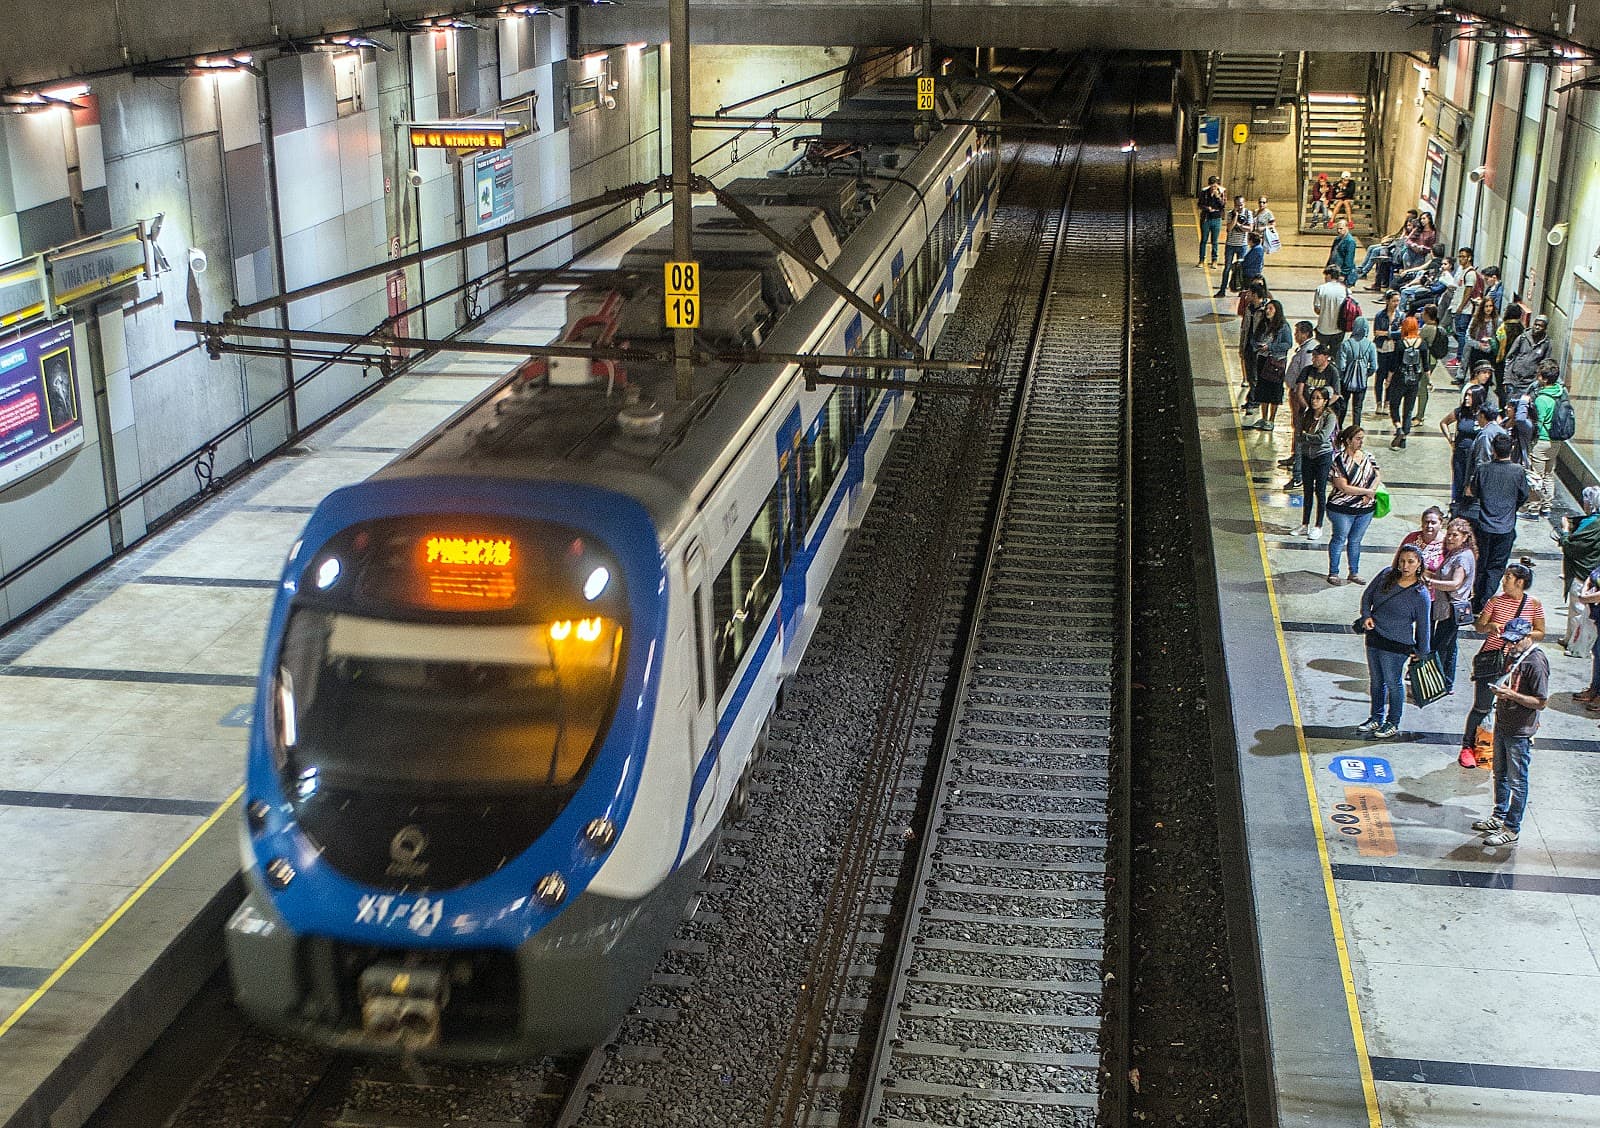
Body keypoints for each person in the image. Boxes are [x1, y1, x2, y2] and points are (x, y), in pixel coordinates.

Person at [1472, 613, 1549, 847]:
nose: (1511, 645)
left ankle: (1512, 827)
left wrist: (1512, 695)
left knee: (1518, 781)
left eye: (1516, 641)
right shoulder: (1512, 656)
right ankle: (1499, 815)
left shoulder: (1535, 663)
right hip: (1503, 723)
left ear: (1528, 637)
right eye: (1509, 640)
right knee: (1500, 774)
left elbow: (1541, 701)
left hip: (1520, 730)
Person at [1460, 560, 1545, 769]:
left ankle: (1502, 745)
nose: (1504, 581)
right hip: (1492, 659)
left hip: (1517, 663)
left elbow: (1541, 632)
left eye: (1508, 577)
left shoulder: (1533, 604)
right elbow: (1479, 627)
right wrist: (1490, 626)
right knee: (1482, 705)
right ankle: (1467, 746)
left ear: (1520, 582)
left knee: (1513, 706)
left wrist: (1523, 634)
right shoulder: (1495, 601)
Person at [1356, 544, 1432, 740]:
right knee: (1376, 681)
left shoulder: (1420, 594)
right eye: (1402, 561)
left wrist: (1422, 652)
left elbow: (1424, 625)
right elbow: (1368, 596)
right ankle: (1376, 717)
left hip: (1397, 645)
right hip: (1374, 636)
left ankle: (1393, 721)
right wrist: (1366, 616)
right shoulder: (1386, 575)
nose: (1405, 566)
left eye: (1410, 562)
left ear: (1419, 564)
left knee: (1393, 683)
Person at [1465, 433, 1530, 610]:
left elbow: (1474, 492)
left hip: (1484, 526)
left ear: (1493, 449)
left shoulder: (1483, 469)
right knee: (1496, 567)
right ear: (1512, 449)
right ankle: (1485, 599)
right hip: (1506, 527)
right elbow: (1524, 496)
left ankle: (1477, 597)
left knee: (1481, 564)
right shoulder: (1518, 471)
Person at [1428, 518, 1478, 694]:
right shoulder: (1457, 553)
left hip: (1450, 610)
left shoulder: (1462, 557)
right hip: (1449, 608)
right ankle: (1447, 684)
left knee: (1440, 647)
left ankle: (1435, 686)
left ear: (1465, 537)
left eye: (1454, 535)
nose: (1449, 538)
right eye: (1448, 534)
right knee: (1450, 648)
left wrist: (1430, 582)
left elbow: (1455, 583)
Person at [1327, 425, 1381, 584]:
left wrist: (1370, 492)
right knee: (1339, 538)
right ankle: (1334, 572)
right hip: (1342, 509)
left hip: (1365, 509)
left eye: (1362, 439)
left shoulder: (1368, 456)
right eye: (1358, 439)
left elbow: (1377, 476)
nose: (1361, 442)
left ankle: (1354, 572)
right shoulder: (1339, 461)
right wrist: (1366, 492)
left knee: (1356, 540)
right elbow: (1343, 486)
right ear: (1348, 441)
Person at [1557, 487, 1600, 656]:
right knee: (1574, 611)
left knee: (1579, 612)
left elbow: (1572, 547)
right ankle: (1569, 638)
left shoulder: (1593, 524)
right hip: (1588, 571)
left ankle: (1577, 647)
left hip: (1583, 573)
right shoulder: (1591, 521)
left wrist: (1565, 530)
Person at [1522, 363, 1565, 518]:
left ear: (1545, 379)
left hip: (1542, 441)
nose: (1537, 377)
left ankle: (1533, 509)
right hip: (1556, 441)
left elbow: (1537, 423)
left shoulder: (1542, 399)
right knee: (1548, 474)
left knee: (1535, 476)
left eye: (1539, 375)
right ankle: (1546, 507)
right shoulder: (1561, 393)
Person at [1298, 386, 1339, 539]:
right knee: (1307, 490)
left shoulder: (1330, 417)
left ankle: (1318, 525)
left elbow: (1323, 437)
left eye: (1318, 398)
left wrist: (1307, 436)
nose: (1314, 401)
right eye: (1313, 398)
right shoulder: (1307, 414)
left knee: (1320, 491)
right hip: (1307, 455)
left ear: (1325, 401)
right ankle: (1304, 524)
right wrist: (1305, 437)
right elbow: (1298, 433)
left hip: (1322, 456)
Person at [1247, 297, 1292, 432]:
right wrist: (1257, 346)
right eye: (1267, 308)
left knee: (1274, 391)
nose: (1267, 311)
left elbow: (1287, 344)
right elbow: (1254, 339)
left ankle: (1271, 420)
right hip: (1263, 360)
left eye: (1271, 309)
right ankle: (1264, 417)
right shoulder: (1263, 324)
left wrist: (1271, 347)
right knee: (1262, 389)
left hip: (1275, 362)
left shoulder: (1283, 326)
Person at [1441, 384, 1485, 508]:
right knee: (1459, 482)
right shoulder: (1460, 412)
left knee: (1474, 483)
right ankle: (1457, 507)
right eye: (1466, 395)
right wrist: (1450, 440)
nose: (1466, 398)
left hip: (1477, 456)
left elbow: (1497, 428)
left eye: (1470, 396)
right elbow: (1444, 423)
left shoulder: (1483, 413)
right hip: (1460, 454)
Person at [1388, 316, 1425, 447]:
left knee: (1394, 405)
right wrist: (1429, 381)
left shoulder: (1400, 344)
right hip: (1414, 380)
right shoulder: (1422, 344)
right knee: (1408, 410)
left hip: (1399, 379)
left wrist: (1389, 379)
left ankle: (1398, 428)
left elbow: (1394, 364)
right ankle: (1404, 439)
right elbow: (1425, 366)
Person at [1358, 209, 1419, 284]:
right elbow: (1397, 236)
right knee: (1371, 247)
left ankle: (1364, 271)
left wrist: (1405, 234)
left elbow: (1401, 243)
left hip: (1395, 248)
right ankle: (1361, 268)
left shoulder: (1413, 234)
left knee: (1375, 250)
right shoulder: (1405, 227)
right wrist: (1390, 237)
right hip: (1393, 243)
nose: (1407, 220)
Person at [1239, 279, 1272, 412]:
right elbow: (1244, 328)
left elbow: (1272, 330)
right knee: (1251, 374)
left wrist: (1266, 345)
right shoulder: (1249, 308)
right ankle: (1252, 398)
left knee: (1257, 375)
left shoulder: (1267, 310)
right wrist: (1242, 345)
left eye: (1250, 293)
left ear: (1255, 294)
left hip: (1259, 349)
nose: (1248, 296)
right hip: (1248, 346)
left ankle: (1254, 400)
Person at [1339, 315, 1377, 430]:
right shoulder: (1371, 345)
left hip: (1346, 381)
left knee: (1343, 406)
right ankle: (1356, 430)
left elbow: (1341, 365)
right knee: (1357, 408)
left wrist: (1344, 375)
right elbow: (1374, 366)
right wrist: (1365, 374)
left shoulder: (1346, 344)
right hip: (1361, 382)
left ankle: (1338, 428)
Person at [1503, 314, 1553, 398]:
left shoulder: (1546, 344)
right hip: (1514, 381)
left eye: (1540, 326)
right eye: (1536, 324)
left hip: (1529, 384)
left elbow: (1544, 365)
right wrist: (1507, 379)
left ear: (1545, 328)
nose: (1537, 327)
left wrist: (1537, 383)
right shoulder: (1522, 338)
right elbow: (1510, 358)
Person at [1416, 302, 1448, 425]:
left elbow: (1417, 340)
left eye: (1424, 312)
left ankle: (1420, 416)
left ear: (1428, 315)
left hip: (1427, 361)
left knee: (1422, 387)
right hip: (1433, 360)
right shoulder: (1436, 327)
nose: (1422, 314)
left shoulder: (1428, 328)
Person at [1216, 195, 1254, 297]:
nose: (1239, 207)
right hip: (1231, 245)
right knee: (1227, 267)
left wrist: (1240, 226)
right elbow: (1229, 228)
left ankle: (1241, 290)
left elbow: (1250, 228)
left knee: (1241, 268)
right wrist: (1236, 216)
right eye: (1237, 205)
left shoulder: (1248, 213)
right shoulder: (1230, 214)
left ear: (1244, 204)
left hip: (1242, 245)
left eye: (1241, 205)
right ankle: (1222, 290)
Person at [1450, 247, 1482, 364]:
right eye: (1460, 256)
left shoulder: (1470, 273)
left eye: (1463, 257)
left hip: (1465, 310)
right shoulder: (1461, 270)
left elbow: (1468, 292)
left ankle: (1460, 358)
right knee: (1458, 332)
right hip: (1457, 306)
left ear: (1469, 258)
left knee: (1461, 334)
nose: (1461, 259)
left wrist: (1460, 307)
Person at [1372, 290, 1403, 406]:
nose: (1396, 303)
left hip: (1394, 350)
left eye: (1397, 301)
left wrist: (1387, 334)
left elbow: (1401, 334)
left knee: (1392, 377)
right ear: (1387, 301)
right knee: (1380, 377)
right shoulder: (1380, 315)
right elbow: (1376, 332)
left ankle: (1387, 402)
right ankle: (1379, 402)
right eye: (1394, 301)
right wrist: (1391, 333)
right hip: (1381, 349)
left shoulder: (1401, 316)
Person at [1312, 264, 1351, 353]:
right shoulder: (1346, 291)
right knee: (1335, 355)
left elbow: (1317, 310)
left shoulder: (1320, 289)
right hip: (1339, 329)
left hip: (1323, 328)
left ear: (1329, 275)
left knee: (1320, 354)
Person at [1401, 505, 1447, 572]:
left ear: (1441, 524)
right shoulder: (1412, 538)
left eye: (1433, 523)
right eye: (1426, 522)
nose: (1429, 526)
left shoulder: (1447, 543)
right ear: (1422, 523)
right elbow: (1397, 561)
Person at [1198, 175, 1226, 266]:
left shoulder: (1222, 192)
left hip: (1216, 219)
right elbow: (1199, 204)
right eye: (1212, 186)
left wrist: (1217, 197)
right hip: (1206, 219)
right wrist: (1207, 208)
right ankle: (1201, 259)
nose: (1214, 188)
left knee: (1215, 241)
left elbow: (1223, 205)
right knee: (1204, 240)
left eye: (1216, 186)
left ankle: (1214, 260)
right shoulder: (1204, 192)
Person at [1330, 218, 1358, 287]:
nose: (1338, 231)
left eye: (1341, 228)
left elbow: (1349, 259)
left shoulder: (1350, 241)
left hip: (1343, 272)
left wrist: (1343, 274)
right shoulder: (1337, 239)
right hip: (1335, 269)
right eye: (1337, 229)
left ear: (1347, 227)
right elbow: (1333, 253)